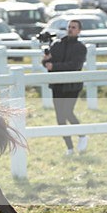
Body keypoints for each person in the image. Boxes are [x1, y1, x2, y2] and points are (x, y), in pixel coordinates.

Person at [43, 19, 87, 155]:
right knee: (60, 118)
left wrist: (54, 66)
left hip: (72, 86)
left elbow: (74, 66)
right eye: (69, 27)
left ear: (79, 30)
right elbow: (48, 62)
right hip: (57, 85)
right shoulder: (57, 44)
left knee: (68, 112)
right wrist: (46, 60)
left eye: (74, 27)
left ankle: (82, 135)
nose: (70, 29)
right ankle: (69, 148)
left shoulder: (81, 48)